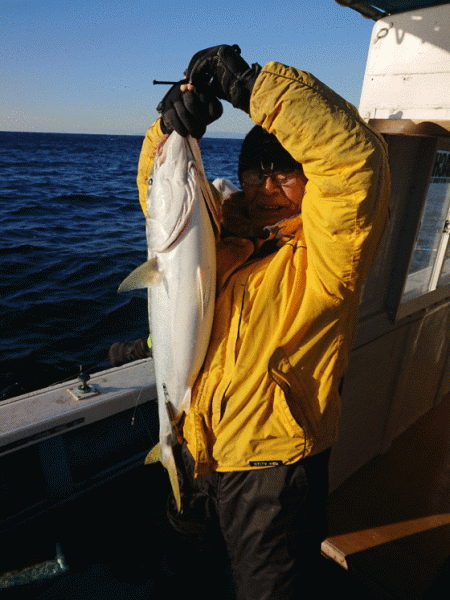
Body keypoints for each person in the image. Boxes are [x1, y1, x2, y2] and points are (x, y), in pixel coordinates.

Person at [136, 45, 390, 599]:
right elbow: (163, 200)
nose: (267, 187)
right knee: (181, 581)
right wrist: (169, 129)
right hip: (194, 450)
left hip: (273, 473)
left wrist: (254, 88)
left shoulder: (328, 255)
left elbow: (355, 165)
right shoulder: (219, 233)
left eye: (286, 174)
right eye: (256, 171)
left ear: (311, 181)